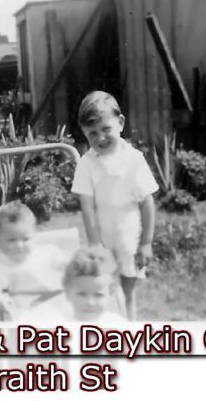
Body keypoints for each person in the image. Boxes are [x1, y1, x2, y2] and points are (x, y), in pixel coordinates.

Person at [71, 91, 158, 320]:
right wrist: (95, 246)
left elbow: (147, 202)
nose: (100, 138)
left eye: (106, 129)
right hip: (102, 240)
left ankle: (129, 337)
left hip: (129, 238)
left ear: (120, 123)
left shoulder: (134, 159)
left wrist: (146, 243)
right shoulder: (86, 164)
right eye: (92, 134)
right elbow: (87, 209)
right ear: (84, 134)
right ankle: (107, 340)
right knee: (105, 292)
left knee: (127, 293)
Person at [0, 201, 68, 320]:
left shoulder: (47, 253)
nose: (19, 245)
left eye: (25, 239)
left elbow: (70, 267)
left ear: (34, 235)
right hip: (22, 311)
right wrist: (0, 300)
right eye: (11, 240)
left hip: (54, 307)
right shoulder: (0, 266)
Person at [62, 244, 127, 324]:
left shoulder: (119, 325)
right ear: (68, 293)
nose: (90, 302)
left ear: (111, 292)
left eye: (98, 295)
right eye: (81, 294)